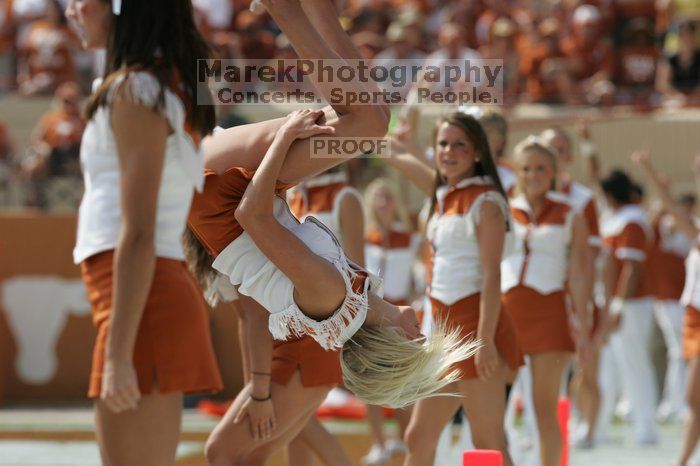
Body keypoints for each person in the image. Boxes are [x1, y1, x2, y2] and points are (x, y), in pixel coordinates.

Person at [183, 1, 474, 462]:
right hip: (241, 193)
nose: (422, 325)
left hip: (219, 193)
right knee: (372, 119)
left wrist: (283, 139)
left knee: (366, 124)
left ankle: (288, 10)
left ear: (391, 340)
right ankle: (315, 11)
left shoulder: (331, 294)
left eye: (416, 338)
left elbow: (250, 217)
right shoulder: (349, 300)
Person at [65, 0, 223, 464]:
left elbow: (138, 232)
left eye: (82, 1)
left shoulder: (135, 90)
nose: (72, 9)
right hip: (141, 296)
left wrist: (117, 356)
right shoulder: (144, 86)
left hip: (141, 298)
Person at [387, 110, 523, 466]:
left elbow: (492, 276)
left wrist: (486, 340)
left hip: (473, 328)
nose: (448, 151)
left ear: (477, 152)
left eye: (459, 145)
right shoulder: (445, 193)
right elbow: (394, 155)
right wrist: (384, 135)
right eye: (443, 144)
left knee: (487, 440)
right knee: (418, 436)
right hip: (442, 331)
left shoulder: (487, 201)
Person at [501, 136, 590, 466]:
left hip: (550, 314)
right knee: (492, 404)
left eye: (541, 168)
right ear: (517, 172)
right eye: (526, 168)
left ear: (554, 171)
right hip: (507, 313)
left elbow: (580, 274)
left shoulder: (570, 214)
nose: (533, 174)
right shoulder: (503, 209)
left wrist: (583, 323)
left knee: (544, 407)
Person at [632, 151, 700, 466]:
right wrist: (651, 170)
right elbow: (669, 205)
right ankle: (683, 461)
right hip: (691, 316)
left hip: (692, 316)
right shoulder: (693, 234)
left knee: (692, 398)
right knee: (694, 400)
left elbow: (673, 207)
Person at [362, 177, 421, 465]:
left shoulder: (408, 238)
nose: (384, 203)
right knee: (368, 378)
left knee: (405, 382)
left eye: (389, 197)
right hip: (371, 316)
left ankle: (402, 439)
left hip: (401, 315)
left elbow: (422, 273)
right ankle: (378, 444)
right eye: (379, 197)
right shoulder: (361, 237)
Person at [599, 168, 658, 445]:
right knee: (616, 364)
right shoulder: (615, 218)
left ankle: (646, 425)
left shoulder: (632, 221)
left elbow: (631, 268)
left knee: (635, 363)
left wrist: (618, 305)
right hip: (615, 303)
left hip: (631, 304)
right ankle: (606, 421)